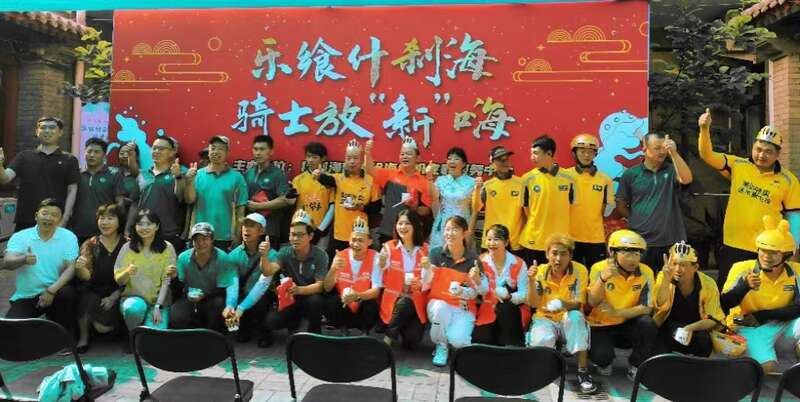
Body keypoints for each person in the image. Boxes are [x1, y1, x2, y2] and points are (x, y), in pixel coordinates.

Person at [698, 109, 800, 289]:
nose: (761, 155)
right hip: (732, 245)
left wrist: (794, 251)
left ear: (777, 154)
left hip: (767, 250)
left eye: (768, 151)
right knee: (728, 292)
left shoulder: (789, 180)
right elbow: (707, 155)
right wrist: (704, 129)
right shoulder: (738, 165)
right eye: (758, 149)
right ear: (752, 147)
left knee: (763, 295)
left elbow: (795, 218)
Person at [721, 216, 800, 373]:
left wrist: (764, 315)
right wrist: (744, 286)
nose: (766, 256)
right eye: (763, 250)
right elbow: (723, 304)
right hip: (747, 324)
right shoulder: (741, 268)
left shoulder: (796, 271)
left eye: (773, 252)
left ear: (786, 255)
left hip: (782, 324)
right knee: (769, 370)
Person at [527, 233, 594, 394]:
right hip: (545, 317)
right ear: (547, 254)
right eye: (554, 253)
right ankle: (552, 363)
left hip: (568, 316)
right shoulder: (540, 271)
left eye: (563, 254)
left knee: (577, 317)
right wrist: (531, 280)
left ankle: (583, 371)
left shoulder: (580, 270)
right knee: (541, 340)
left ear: (570, 256)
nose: (558, 259)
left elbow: (578, 303)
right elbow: (534, 304)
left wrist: (563, 303)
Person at [587, 229, 657, 380]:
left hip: (627, 323)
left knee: (647, 323)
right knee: (602, 357)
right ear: (613, 253)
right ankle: (604, 361)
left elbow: (647, 308)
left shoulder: (646, 272)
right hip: (601, 324)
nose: (633, 259)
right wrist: (603, 279)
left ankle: (636, 365)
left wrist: (617, 313)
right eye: (627, 253)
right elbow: (592, 302)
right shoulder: (598, 268)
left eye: (637, 253)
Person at [616, 133, 692, 272]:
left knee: (671, 281)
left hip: (671, 240)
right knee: (643, 280)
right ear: (645, 148)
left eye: (664, 148)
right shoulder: (631, 174)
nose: (662, 151)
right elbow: (621, 204)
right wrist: (635, 221)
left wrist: (674, 154)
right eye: (657, 148)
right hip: (641, 241)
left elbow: (686, 179)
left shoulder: (672, 170)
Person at [3, 199, 78, 335]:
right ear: (36, 215)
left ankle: (65, 336)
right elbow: (7, 262)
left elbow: (71, 268)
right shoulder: (20, 236)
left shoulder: (68, 237)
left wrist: (51, 291)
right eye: (45, 213)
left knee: (68, 294)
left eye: (54, 215)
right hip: (27, 295)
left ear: (60, 219)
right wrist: (23, 259)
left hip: (56, 292)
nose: (49, 218)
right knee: (9, 332)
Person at [259, 209, 329, 347]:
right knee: (271, 321)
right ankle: (293, 324)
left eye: (300, 235)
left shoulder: (321, 255)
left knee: (316, 301)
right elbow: (268, 271)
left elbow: (320, 285)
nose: (295, 239)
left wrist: (299, 290)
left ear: (310, 236)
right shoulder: (284, 252)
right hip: (289, 298)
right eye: (292, 234)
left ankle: (315, 333)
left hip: (308, 296)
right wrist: (264, 256)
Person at [425, 215, 486, 367]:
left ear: (464, 233)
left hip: (463, 307)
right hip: (439, 303)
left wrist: (477, 280)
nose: (449, 233)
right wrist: (426, 270)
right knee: (441, 309)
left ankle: (451, 341)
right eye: (447, 229)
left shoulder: (473, 259)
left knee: (459, 341)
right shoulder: (435, 254)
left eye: (454, 229)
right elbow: (425, 283)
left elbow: (482, 291)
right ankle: (441, 345)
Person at [0, 117, 80, 230]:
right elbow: (5, 178)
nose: (47, 130)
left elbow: (72, 191)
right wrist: (0, 164)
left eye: (52, 128)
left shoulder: (69, 159)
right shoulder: (24, 157)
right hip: (25, 220)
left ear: (60, 132)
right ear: (37, 132)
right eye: (43, 127)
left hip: (54, 221)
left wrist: (64, 219)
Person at [653, 241, 723, 358]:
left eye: (683, 265)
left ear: (695, 267)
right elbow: (659, 304)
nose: (677, 269)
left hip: (695, 327)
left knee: (704, 339)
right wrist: (666, 281)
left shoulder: (708, 283)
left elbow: (714, 318)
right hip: (668, 327)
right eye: (674, 264)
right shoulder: (664, 276)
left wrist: (689, 328)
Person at [114, 209, 177, 335]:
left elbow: (167, 280)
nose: (144, 228)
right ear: (135, 226)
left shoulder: (167, 248)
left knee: (156, 336)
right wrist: (127, 272)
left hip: (159, 301)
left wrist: (158, 306)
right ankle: (133, 336)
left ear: (157, 226)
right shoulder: (127, 248)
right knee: (133, 309)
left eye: (148, 224)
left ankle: (145, 334)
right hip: (134, 299)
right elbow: (120, 281)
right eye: (140, 224)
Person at [74, 203, 126, 353]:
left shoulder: (128, 244)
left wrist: (114, 296)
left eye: (110, 218)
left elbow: (132, 276)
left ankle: (120, 333)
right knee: (86, 300)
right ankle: (83, 338)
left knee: (102, 327)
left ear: (119, 221)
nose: (105, 222)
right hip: (95, 289)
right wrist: (80, 268)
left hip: (120, 290)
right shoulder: (90, 244)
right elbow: (86, 277)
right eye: (101, 218)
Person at [314, 140, 380, 255]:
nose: (352, 162)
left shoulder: (370, 180)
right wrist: (318, 176)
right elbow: (326, 180)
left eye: (355, 158)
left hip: (360, 236)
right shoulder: (338, 179)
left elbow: (377, 207)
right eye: (348, 158)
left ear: (362, 160)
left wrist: (361, 207)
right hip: (339, 236)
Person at [376, 208, 429, 349]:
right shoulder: (388, 247)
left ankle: (396, 329)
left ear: (415, 226)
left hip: (417, 301)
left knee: (412, 340)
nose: (403, 227)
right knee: (405, 302)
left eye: (407, 223)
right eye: (400, 223)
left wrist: (423, 278)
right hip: (395, 300)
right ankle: (388, 338)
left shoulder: (426, 249)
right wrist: (381, 263)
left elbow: (429, 280)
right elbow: (380, 273)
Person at [171, 223, 238, 333]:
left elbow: (223, 288)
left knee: (218, 304)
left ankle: (212, 335)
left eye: (205, 239)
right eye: (196, 240)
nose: (200, 243)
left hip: (213, 297)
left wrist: (204, 295)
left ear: (212, 240)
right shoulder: (183, 257)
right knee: (176, 314)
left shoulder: (222, 258)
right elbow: (179, 284)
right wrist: (174, 277)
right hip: (189, 297)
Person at [185, 135, 248, 250]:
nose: (216, 152)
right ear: (208, 151)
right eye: (213, 148)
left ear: (227, 152)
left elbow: (240, 210)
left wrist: (237, 236)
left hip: (225, 237)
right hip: (199, 234)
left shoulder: (237, 178)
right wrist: (189, 181)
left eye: (220, 149)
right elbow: (190, 200)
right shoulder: (197, 175)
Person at [520, 135, 575, 265]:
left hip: (560, 242)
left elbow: (572, 206)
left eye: (536, 153)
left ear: (549, 153)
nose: (532, 157)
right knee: (534, 275)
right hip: (534, 240)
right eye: (531, 153)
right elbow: (526, 209)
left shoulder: (569, 179)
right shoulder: (527, 178)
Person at [365, 136, 432, 243]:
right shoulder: (390, 175)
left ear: (418, 158)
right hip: (387, 231)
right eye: (402, 154)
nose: (405, 156)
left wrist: (414, 207)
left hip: (410, 234)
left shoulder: (423, 182)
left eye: (409, 154)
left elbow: (427, 210)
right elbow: (370, 170)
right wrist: (368, 153)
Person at [472, 224, 529, 347]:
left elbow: (525, 294)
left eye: (496, 239)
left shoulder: (519, 263)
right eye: (489, 239)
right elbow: (481, 292)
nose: (492, 243)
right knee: (480, 341)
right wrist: (477, 280)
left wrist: (509, 297)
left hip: (512, 311)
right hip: (488, 309)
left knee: (506, 309)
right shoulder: (480, 261)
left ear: (506, 242)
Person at [322, 216, 381, 334]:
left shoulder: (376, 257)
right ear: (349, 240)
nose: (356, 244)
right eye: (353, 240)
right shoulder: (340, 255)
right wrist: (333, 269)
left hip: (362, 303)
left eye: (360, 240)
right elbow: (327, 287)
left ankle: (365, 331)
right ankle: (342, 328)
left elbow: (376, 291)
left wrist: (357, 296)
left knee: (371, 305)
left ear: (369, 242)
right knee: (332, 301)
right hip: (344, 305)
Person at [565, 134, 615, 267]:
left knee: (596, 274)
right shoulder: (564, 176)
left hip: (595, 238)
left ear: (595, 154)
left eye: (590, 152)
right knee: (571, 275)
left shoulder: (605, 179)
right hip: (569, 238)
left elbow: (608, 209)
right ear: (574, 153)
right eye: (582, 151)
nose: (586, 155)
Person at [227, 213, 277, 343]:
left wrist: (241, 308)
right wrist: (230, 305)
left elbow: (262, 285)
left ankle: (264, 331)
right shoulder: (234, 255)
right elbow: (232, 284)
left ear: (261, 231)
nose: (246, 229)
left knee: (262, 301)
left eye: (251, 226)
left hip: (263, 294)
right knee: (229, 301)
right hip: (243, 293)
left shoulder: (272, 254)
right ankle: (243, 328)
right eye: (245, 225)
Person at [136, 136, 187, 253]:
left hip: (169, 234)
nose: (156, 151)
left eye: (161, 149)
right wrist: (129, 229)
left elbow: (181, 198)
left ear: (172, 152)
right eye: (154, 148)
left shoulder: (181, 173)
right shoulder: (142, 174)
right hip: (144, 232)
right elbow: (135, 203)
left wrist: (178, 177)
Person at [472, 146, 526, 254]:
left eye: (506, 159)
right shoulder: (487, 186)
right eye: (500, 160)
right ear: (492, 164)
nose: (505, 162)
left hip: (514, 242)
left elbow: (527, 212)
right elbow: (476, 208)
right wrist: (477, 189)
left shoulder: (521, 184)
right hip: (491, 241)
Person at [245, 135, 295, 249]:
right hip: (250, 229)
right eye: (255, 149)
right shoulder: (248, 174)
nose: (258, 153)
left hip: (270, 229)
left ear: (271, 151)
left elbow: (285, 200)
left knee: (268, 258)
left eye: (262, 149)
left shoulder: (278, 174)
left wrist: (258, 206)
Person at [69, 137, 122, 244]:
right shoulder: (76, 174)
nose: (92, 155)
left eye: (97, 152)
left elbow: (119, 203)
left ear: (104, 155)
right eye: (89, 151)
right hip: (76, 232)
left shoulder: (114, 175)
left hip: (104, 232)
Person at [427, 147, 476, 250]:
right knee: (440, 255)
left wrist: (470, 231)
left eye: (456, 159)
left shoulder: (472, 182)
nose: (452, 161)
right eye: (449, 159)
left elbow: (475, 208)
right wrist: (430, 178)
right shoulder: (441, 180)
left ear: (464, 164)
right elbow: (434, 198)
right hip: (443, 225)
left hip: (462, 224)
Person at [292, 142, 334, 249]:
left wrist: (321, 229)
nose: (310, 160)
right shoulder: (298, 180)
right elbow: (296, 206)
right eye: (308, 156)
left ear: (323, 158)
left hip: (322, 230)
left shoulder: (330, 180)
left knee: (320, 257)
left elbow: (332, 207)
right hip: (302, 229)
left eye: (314, 157)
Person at [115, 142, 141, 214]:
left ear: (136, 155)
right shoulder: (113, 173)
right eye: (122, 153)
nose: (125, 156)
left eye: (128, 153)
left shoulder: (143, 175)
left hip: (136, 213)